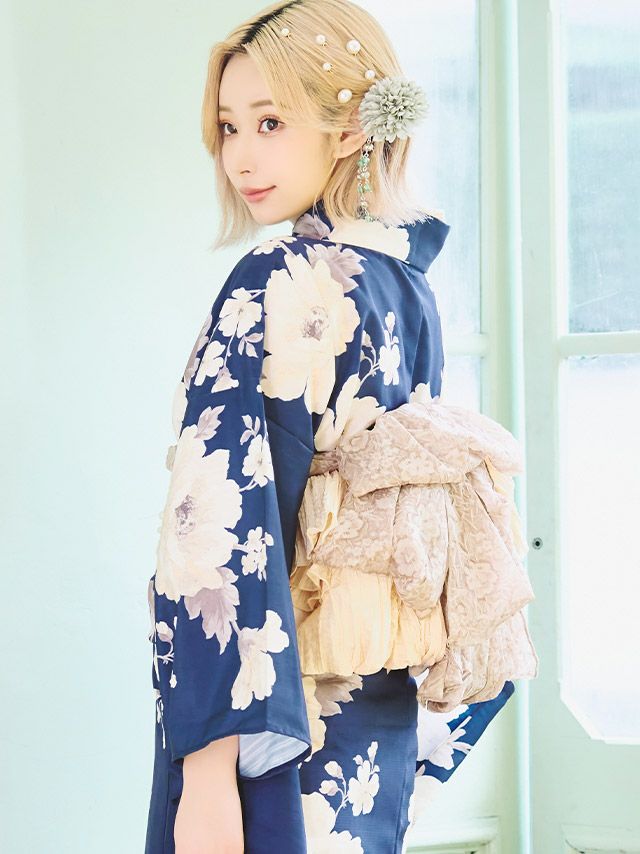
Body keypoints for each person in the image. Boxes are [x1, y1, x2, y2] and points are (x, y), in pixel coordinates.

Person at [144, 1, 532, 851]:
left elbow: (217, 525)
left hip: (270, 731)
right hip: (377, 716)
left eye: (270, 122)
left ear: (353, 126)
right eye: (228, 127)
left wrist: (205, 773)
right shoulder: (408, 286)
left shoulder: (276, 277)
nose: (240, 156)